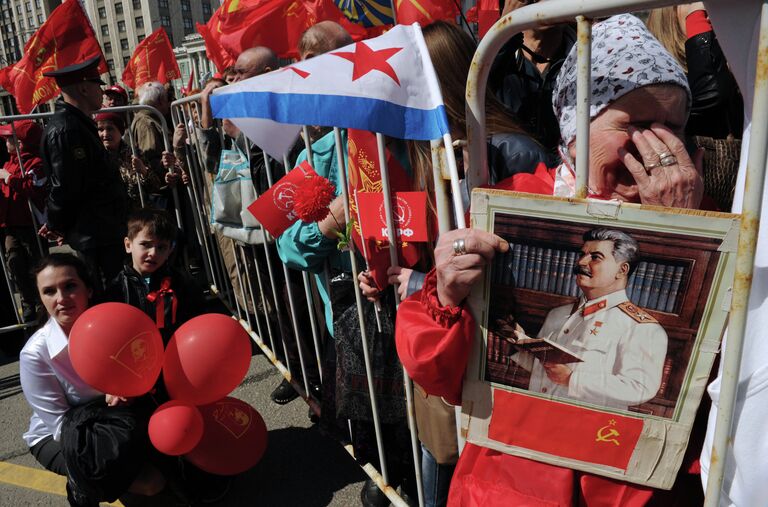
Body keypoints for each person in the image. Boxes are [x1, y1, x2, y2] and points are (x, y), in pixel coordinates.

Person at [395, 14, 704, 506]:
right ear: (576, 126)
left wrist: (684, 230)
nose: (657, 148)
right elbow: (443, 376)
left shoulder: (705, 225)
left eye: (673, 127)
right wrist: (446, 295)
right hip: (508, 486)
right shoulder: (511, 205)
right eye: (637, 124)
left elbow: (664, 387)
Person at [20, 253, 165, 506]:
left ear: (88, 288)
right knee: (149, 483)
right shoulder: (35, 354)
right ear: (41, 299)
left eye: (70, 286)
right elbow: (59, 427)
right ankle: (82, 486)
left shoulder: (116, 323)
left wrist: (130, 391)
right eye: (49, 291)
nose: (62, 299)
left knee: (165, 463)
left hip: (119, 417)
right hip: (68, 436)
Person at [505, 228, 667, 410]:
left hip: (586, 428)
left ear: (622, 270)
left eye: (595, 257)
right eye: (582, 254)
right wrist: (517, 345)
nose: (582, 262)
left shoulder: (640, 327)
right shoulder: (558, 314)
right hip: (536, 415)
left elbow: (640, 388)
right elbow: (546, 370)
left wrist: (572, 380)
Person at [40, 56, 129, 288]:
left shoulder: (77, 124)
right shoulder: (67, 129)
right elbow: (65, 186)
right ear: (83, 88)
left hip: (102, 228)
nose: (101, 92)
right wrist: (55, 222)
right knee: (105, 293)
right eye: (97, 85)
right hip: (94, 233)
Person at [104, 208, 205, 343]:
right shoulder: (117, 289)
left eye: (161, 247)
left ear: (170, 250)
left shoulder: (182, 283)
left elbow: (197, 321)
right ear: (128, 245)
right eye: (145, 244)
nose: (153, 253)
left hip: (176, 353)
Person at [488, 0, 576, 153]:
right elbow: (471, 101)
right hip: (508, 173)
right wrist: (504, 30)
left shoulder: (588, 53)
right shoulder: (492, 56)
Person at [646, 3, 743, 139]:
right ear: (668, 14)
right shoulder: (652, 76)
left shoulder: (734, 63)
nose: (706, 6)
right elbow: (712, 96)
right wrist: (696, 20)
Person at [0, 120, 47, 322]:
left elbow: (34, 187)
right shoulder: (9, 162)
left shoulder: (36, 163)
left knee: (37, 264)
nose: (5, 141)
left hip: (32, 225)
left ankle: (42, 303)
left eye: (10, 138)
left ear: (21, 143)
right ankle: (28, 303)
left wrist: (10, 178)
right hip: (11, 225)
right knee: (14, 261)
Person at [95, 112, 163, 212]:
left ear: (120, 131)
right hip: (108, 217)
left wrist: (144, 171)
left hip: (136, 216)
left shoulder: (135, 154)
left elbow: (155, 186)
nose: (105, 134)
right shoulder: (95, 156)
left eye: (110, 129)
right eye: (100, 129)